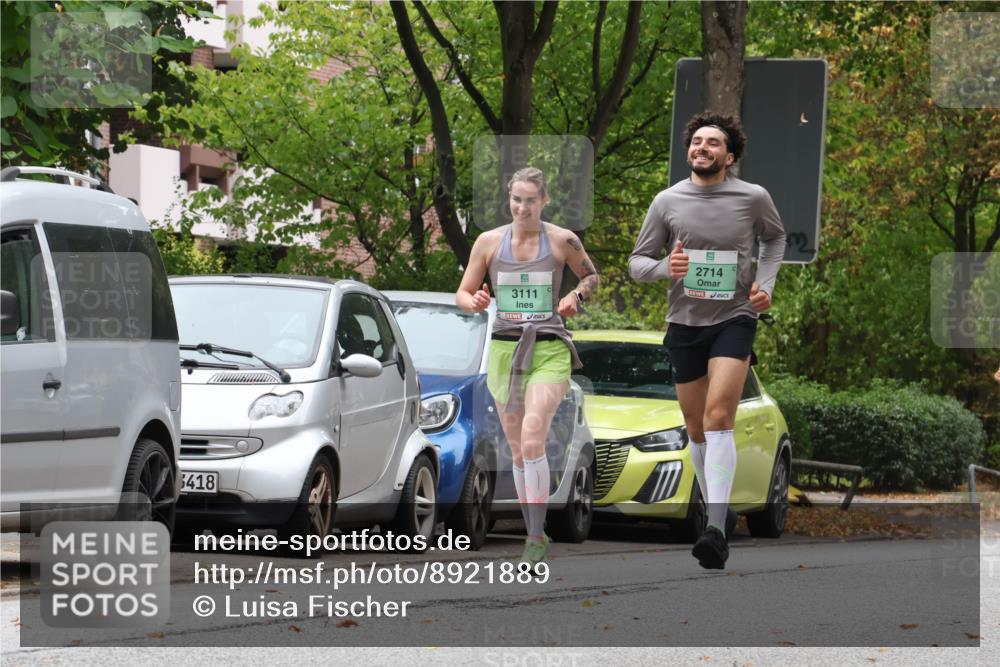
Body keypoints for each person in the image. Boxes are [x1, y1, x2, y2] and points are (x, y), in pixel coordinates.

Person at [629, 112, 786, 570]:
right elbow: (637, 263)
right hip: (684, 322)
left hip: (734, 318)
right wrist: (665, 268)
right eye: (696, 141)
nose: (702, 148)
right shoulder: (667, 201)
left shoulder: (753, 197)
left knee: (719, 417)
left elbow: (774, 240)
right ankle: (721, 508)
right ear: (689, 151)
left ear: (729, 155)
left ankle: (715, 527)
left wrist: (767, 286)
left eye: (712, 143)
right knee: (696, 428)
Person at [457, 167, 599, 569]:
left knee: (534, 435)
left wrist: (576, 295)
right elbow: (464, 293)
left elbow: (592, 277)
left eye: (530, 201)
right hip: (504, 351)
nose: (522, 207)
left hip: (549, 347)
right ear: (509, 199)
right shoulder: (488, 242)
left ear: (544, 201)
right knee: (519, 451)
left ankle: (534, 536)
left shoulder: (562, 240)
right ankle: (534, 527)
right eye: (516, 199)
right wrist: (475, 303)